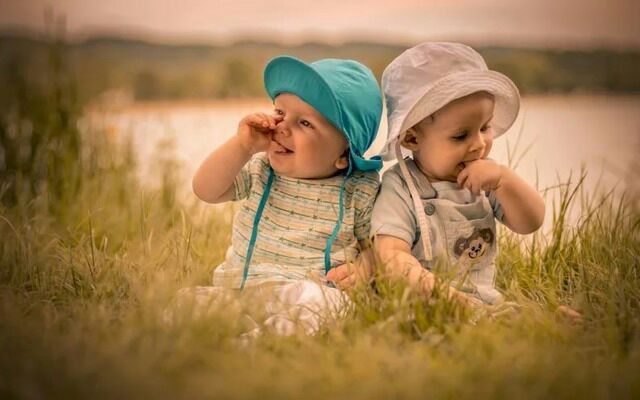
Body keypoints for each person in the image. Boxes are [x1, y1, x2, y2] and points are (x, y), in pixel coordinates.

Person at [188, 55, 383, 335]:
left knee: (329, 304)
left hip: (304, 292)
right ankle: (242, 330)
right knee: (189, 301)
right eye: (280, 113)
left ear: (343, 154)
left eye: (304, 123)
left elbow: (374, 247)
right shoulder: (261, 170)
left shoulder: (358, 190)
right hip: (240, 288)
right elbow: (205, 190)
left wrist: (365, 267)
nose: (281, 127)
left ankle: (260, 340)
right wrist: (242, 146)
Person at [370, 42, 545, 307]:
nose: (479, 144)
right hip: (425, 302)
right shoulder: (401, 187)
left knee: (518, 313)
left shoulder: (486, 180)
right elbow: (391, 255)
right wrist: (444, 296)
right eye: (461, 135)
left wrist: (503, 180)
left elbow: (530, 223)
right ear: (412, 138)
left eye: (485, 128)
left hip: (483, 301)